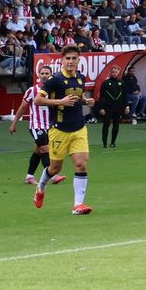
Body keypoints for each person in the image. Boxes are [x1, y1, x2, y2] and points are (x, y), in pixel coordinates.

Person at [34, 47, 94, 214]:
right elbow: (38, 100)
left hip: (79, 128)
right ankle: (41, 187)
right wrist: (61, 101)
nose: (71, 61)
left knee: (81, 164)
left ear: (78, 60)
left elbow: (78, 98)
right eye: (68, 58)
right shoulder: (55, 80)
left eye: (74, 58)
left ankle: (78, 205)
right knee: (55, 169)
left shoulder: (81, 78)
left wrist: (86, 101)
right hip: (59, 130)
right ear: (62, 60)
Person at [8, 63, 60, 188]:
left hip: (50, 126)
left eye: (47, 73)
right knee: (45, 149)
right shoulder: (32, 90)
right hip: (36, 126)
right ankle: (53, 176)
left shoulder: (54, 91)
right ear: (39, 75)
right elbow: (22, 108)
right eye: (42, 73)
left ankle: (29, 176)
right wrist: (14, 123)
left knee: (37, 151)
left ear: (51, 75)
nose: (44, 76)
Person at [95, 64, 127, 149]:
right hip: (108, 107)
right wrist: (101, 108)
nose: (114, 73)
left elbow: (125, 96)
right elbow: (102, 97)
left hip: (118, 107)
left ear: (118, 72)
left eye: (116, 72)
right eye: (113, 72)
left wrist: (126, 106)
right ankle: (104, 143)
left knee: (116, 125)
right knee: (106, 125)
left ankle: (113, 142)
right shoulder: (105, 83)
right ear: (110, 72)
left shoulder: (122, 83)